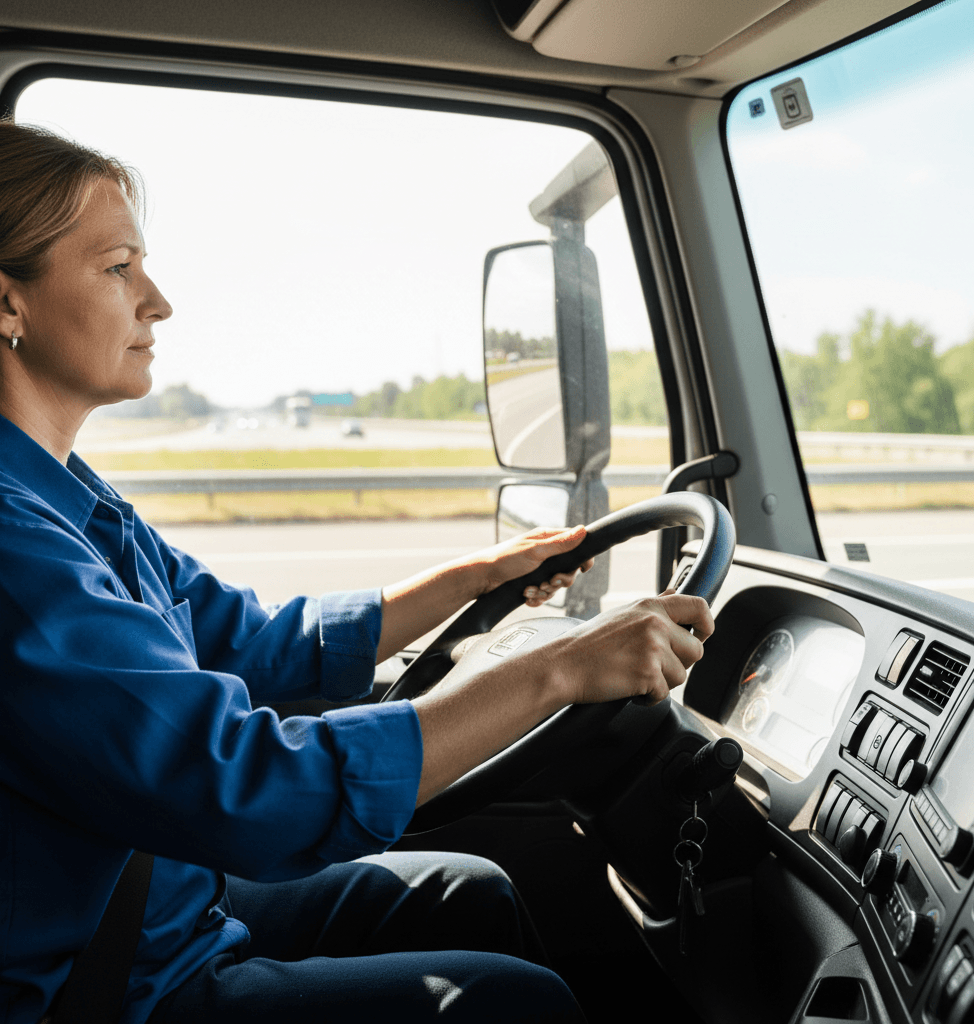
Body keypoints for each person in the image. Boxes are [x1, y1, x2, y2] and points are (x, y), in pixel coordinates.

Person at [0, 121, 714, 1024]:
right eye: (118, 268)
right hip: (103, 981)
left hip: (157, 907)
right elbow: (244, 786)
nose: (159, 302)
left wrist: (473, 577)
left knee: (472, 893)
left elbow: (252, 641)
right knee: (512, 1003)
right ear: (8, 304)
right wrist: (553, 670)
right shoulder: (18, 548)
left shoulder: (75, 503)